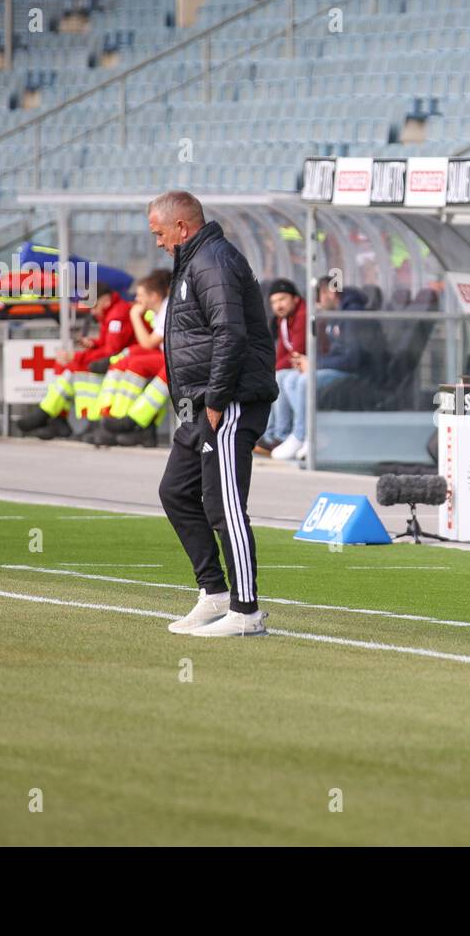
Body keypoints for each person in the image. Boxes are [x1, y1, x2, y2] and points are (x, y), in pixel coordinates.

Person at [148, 190, 278, 638]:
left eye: (160, 233)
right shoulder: (192, 261)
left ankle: (246, 612)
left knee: (225, 506)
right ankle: (215, 593)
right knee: (176, 492)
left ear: (181, 227)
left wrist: (218, 401)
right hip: (199, 405)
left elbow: (230, 334)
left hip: (227, 402)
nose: (159, 242)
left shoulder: (213, 261)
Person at [16, 282, 133, 440]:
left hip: (122, 361)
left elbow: (111, 351)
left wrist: (76, 357)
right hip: (117, 358)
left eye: (94, 306)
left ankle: (50, 413)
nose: (93, 312)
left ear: (105, 299)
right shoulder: (111, 312)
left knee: (76, 368)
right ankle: (57, 417)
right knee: (62, 365)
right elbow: (109, 343)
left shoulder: (117, 315)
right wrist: (93, 343)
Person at [270, 281, 363, 462]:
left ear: (329, 293)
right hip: (332, 366)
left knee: (306, 380)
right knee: (286, 379)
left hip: (351, 372)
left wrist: (314, 364)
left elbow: (352, 359)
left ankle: (305, 435)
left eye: (318, 297)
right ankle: (285, 435)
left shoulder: (351, 314)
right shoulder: (335, 315)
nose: (316, 304)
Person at [93, 268, 171, 447]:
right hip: (166, 355)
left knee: (136, 363)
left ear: (154, 296)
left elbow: (148, 343)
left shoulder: (167, 309)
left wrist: (134, 315)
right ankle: (110, 418)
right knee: (125, 360)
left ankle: (130, 422)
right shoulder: (159, 310)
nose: (137, 300)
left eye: (140, 295)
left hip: (173, 358)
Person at [255, 278, 307, 457]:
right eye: (274, 302)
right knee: (275, 377)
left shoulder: (302, 314)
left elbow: (297, 350)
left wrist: (274, 369)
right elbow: (283, 352)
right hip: (297, 366)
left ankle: (285, 435)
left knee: (283, 378)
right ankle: (272, 434)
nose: (278, 305)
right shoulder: (283, 320)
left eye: (283, 299)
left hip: (308, 367)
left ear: (296, 299)